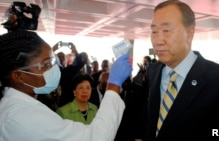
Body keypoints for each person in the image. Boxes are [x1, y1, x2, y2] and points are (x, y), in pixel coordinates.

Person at [138, 0, 219, 139]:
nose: (158, 40)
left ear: (189, 34)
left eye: (166, 31)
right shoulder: (153, 71)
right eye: (154, 31)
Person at [0, 30, 132, 141]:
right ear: (18, 76)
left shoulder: (19, 105)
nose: (53, 68)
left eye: (52, 61)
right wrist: (114, 85)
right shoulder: (22, 117)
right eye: (46, 65)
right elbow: (96, 137)